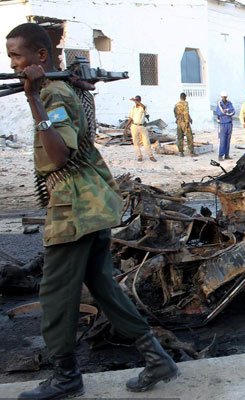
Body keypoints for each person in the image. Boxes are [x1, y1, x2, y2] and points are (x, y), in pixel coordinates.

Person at [6, 23, 178, 400]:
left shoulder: (52, 96)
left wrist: (34, 100)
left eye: (19, 56)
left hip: (76, 209)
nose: (15, 64)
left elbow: (58, 154)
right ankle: (156, 358)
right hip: (91, 203)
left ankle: (66, 377)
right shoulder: (60, 88)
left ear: (41, 56)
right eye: (10, 58)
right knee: (103, 288)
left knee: (55, 295)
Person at [128, 95, 156, 162]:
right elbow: (130, 118)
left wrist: (135, 100)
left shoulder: (143, 107)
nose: (136, 101)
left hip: (142, 126)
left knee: (146, 142)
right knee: (136, 142)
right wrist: (126, 127)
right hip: (134, 126)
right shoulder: (133, 108)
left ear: (140, 100)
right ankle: (139, 156)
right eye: (136, 100)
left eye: (138, 100)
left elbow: (143, 106)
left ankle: (151, 156)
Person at [173, 92, 194, 157]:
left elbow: (175, 113)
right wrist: (187, 121)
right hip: (184, 122)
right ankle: (191, 152)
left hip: (179, 122)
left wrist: (178, 119)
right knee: (189, 136)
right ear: (184, 97)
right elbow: (186, 113)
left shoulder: (176, 104)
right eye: (185, 97)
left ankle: (181, 152)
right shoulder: (185, 103)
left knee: (180, 137)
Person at [216, 91, 235, 161]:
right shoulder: (219, 103)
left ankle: (227, 155)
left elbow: (233, 111)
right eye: (223, 97)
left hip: (229, 124)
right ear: (221, 97)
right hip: (222, 124)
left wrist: (226, 111)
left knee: (228, 140)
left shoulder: (229, 103)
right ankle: (220, 155)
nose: (224, 98)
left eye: (225, 97)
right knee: (222, 140)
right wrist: (228, 111)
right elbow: (220, 112)